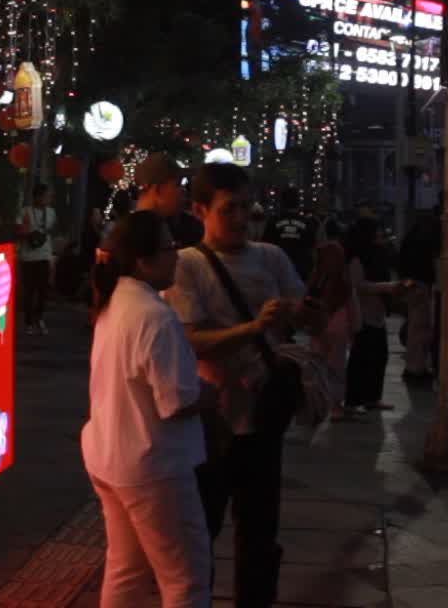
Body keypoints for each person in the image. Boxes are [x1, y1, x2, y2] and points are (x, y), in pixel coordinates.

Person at [164, 163, 324, 608]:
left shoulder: (271, 257)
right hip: (210, 424)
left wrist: (309, 311)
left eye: (247, 209)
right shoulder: (186, 266)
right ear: (200, 210)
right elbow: (189, 339)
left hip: (264, 419)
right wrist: (254, 327)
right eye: (228, 209)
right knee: (201, 531)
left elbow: (309, 317)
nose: (239, 219)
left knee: (260, 534)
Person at [82, 211, 214, 608]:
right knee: (186, 579)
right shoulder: (156, 317)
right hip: (153, 465)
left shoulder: (114, 304)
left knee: (127, 569)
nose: (177, 255)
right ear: (144, 260)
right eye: (169, 247)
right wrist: (209, 393)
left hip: (110, 457)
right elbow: (175, 401)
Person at [342, 219, 406, 413]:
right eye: (378, 232)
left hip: (377, 314)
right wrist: (387, 287)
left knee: (379, 357)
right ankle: (353, 400)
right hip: (362, 314)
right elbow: (358, 286)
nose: (382, 236)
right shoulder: (356, 259)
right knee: (360, 358)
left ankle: (373, 398)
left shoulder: (379, 256)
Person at [306, 237, 359, 420]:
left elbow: (307, 302)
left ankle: (317, 405)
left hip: (317, 327)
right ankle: (336, 407)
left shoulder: (316, 277)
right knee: (337, 367)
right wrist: (354, 327)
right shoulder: (343, 280)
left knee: (317, 367)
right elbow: (352, 306)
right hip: (338, 327)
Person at [398, 208, 441, 382]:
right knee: (421, 328)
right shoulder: (424, 241)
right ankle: (416, 369)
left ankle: (414, 367)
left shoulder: (410, 238)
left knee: (416, 328)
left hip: (411, 285)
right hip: (421, 285)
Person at [19, 184, 58, 336]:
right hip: (28, 256)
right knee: (29, 291)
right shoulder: (25, 212)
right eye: (47, 196)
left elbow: (54, 229)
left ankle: (40, 317)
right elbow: (18, 229)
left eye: (50, 196)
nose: (49, 199)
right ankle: (28, 322)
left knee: (43, 290)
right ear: (38, 196)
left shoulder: (51, 212)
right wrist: (28, 234)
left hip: (44, 255)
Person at [262, 188, 317, 280]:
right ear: (298, 202)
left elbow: (266, 247)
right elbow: (313, 248)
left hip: (278, 272)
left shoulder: (273, 222)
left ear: (282, 202)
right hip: (301, 271)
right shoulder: (307, 223)